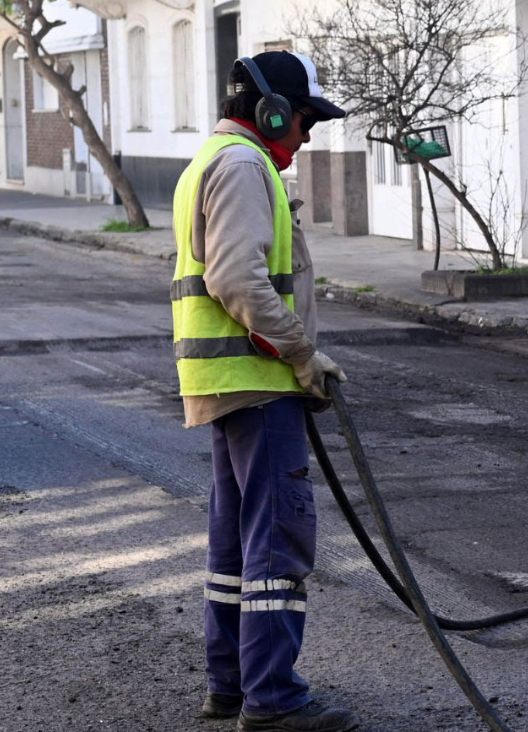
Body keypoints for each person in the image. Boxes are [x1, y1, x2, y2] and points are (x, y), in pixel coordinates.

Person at [171, 50, 359, 731]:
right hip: (257, 381)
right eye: (304, 119)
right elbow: (237, 278)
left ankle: (231, 684)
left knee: (235, 547)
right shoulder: (245, 165)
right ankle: (273, 699)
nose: (307, 136)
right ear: (272, 111)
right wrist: (302, 353)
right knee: (275, 540)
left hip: (230, 382)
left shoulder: (213, 161)